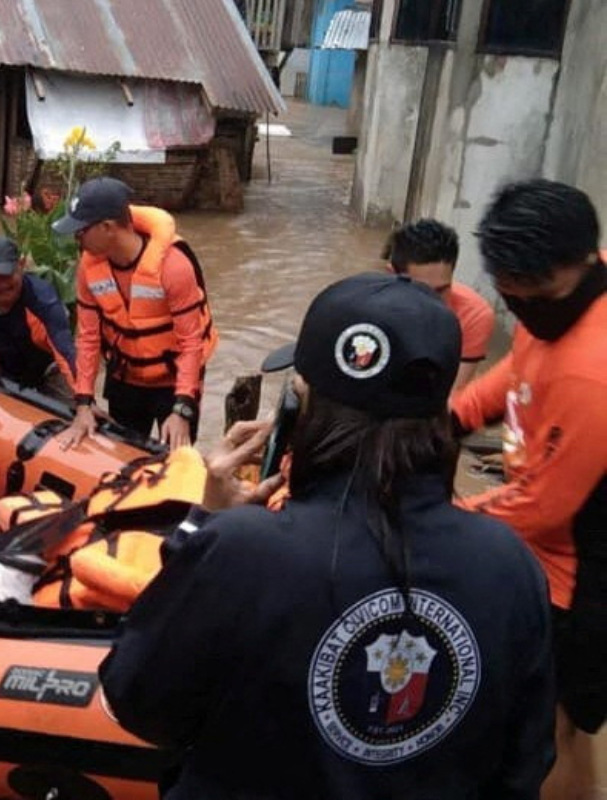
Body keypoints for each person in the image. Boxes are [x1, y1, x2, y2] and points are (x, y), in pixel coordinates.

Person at [101, 272, 555, 799]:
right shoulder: (511, 566)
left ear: (302, 411)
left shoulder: (241, 550)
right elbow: (526, 764)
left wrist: (201, 522)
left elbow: (134, 702)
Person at [450, 179, 607, 800]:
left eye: (534, 296)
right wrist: (455, 418)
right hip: (549, 533)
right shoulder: (552, 312)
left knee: (557, 726)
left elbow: (541, 507)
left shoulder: (593, 371)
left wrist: (443, 516)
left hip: (585, 569)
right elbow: (518, 370)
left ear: (579, 265)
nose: (522, 313)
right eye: (511, 298)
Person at [53, 178, 217, 449]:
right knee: (123, 453)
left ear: (107, 227)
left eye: (81, 231)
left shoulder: (174, 267)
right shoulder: (88, 269)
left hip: (174, 383)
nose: (76, 238)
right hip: (125, 378)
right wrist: (83, 402)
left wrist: (183, 409)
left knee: (176, 460)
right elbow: (89, 338)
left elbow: (191, 343)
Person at [384, 218, 494, 390]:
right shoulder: (370, 308)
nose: (432, 302)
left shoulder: (473, 315)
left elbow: (453, 393)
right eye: (421, 290)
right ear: (392, 275)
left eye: (441, 290)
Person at [0, 236, 76, 402]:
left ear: (21, 265)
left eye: (7, 276)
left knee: (76, 412)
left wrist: (84, 401)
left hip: (48, 368)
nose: (1, 285)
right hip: (7, 368)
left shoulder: (43, 302)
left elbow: (65, 352)